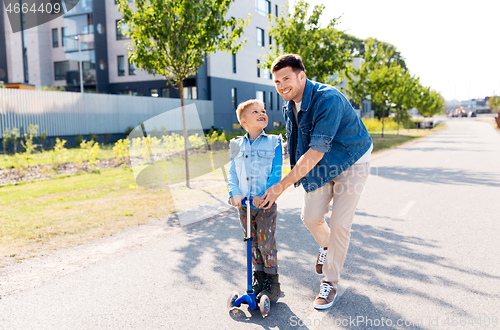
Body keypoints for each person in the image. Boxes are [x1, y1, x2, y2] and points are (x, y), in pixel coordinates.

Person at [259, 54, 373, 310]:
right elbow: (299, 145)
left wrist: (281, 186)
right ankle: (326, 245)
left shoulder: (327, 99)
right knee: (310, 217)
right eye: (276, 81)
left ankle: (329, 283)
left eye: (286, 79)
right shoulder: (290, 104)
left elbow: (315, 151)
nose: (281, 86)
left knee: (341, 224)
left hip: (351, 159)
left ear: (302, 75)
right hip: (322, 165)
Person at [228, 99, 283, 301]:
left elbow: (276, 171)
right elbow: (232, 172)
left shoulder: (274, 142)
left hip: (265, 203)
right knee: (251, 243)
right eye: (255, 112)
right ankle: (259, 279)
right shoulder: (236, 145)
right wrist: (234, 193)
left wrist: (266, 194)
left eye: (263, 110)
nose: (262, 113)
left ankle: (272, 282)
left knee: (266, 242)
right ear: (243, 122)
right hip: (245, 205)